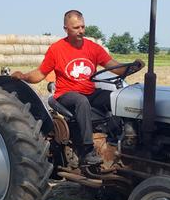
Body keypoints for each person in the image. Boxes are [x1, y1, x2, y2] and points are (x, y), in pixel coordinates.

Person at [11, 10, 144, 165]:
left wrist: (133, 67)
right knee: (81, 101)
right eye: (76, 28)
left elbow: (115, 67)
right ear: (65, 28)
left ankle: (119, 140)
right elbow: (40, 73)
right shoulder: (57, 49)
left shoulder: (93, 48)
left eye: (82, 27)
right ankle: (87, 151)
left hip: (89, 91)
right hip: (66, 93)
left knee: (116, 98)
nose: (81, 31)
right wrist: (24, 76)